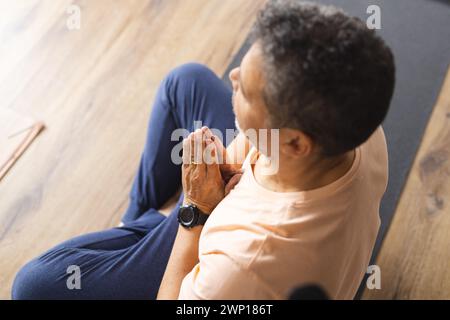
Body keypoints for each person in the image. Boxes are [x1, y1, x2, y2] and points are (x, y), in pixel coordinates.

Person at [12, 0, 395, 300]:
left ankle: (146, 229)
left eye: (244, 89)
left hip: (213, 244)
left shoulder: (247, 265)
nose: (231, 78)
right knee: (187, 80)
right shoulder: (357, 128)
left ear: (295, 142)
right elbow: (250, 149)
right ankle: (138, 223)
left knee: (34, 285)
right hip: (244, 208)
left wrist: (195, 212)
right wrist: (228, 173)